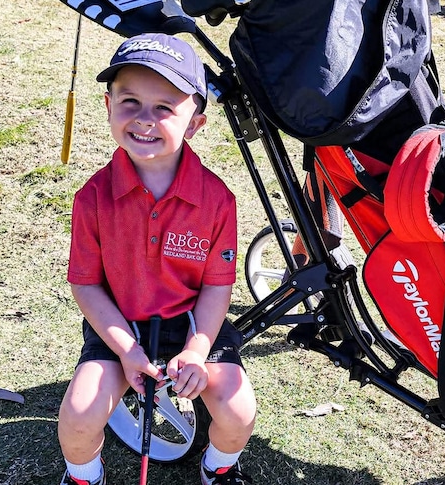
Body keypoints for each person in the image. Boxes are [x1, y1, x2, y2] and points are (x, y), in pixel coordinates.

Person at [58, 33, 256, 485]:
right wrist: (127, 352)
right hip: (121, 325)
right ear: (108, 106)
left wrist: (198, 350)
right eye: (130, 101)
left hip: (191, 324)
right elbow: (86, 284)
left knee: (238, 408)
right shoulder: (91, 197)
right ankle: (84, 476)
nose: (145, 119)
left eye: (164, 106)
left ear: (195, 123)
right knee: (78, 415)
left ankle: (220, 468)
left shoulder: (218, 200)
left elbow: (216, 286)